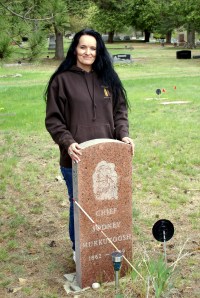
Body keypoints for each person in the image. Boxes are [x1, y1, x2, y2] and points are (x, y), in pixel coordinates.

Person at [45, 28, 134, 261]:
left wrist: (123, 135)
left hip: (107, 158)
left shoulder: (108, 79)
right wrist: (67, 143)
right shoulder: (61, 81)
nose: (88, 52)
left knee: (106, 204)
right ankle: (80, 251)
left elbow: (120, 112)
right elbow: (54, 120)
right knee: (80, 207)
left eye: (93, 48)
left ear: (99, 51)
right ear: (75, 48)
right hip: (75, 157)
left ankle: (104, 246)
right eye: (83, 47)